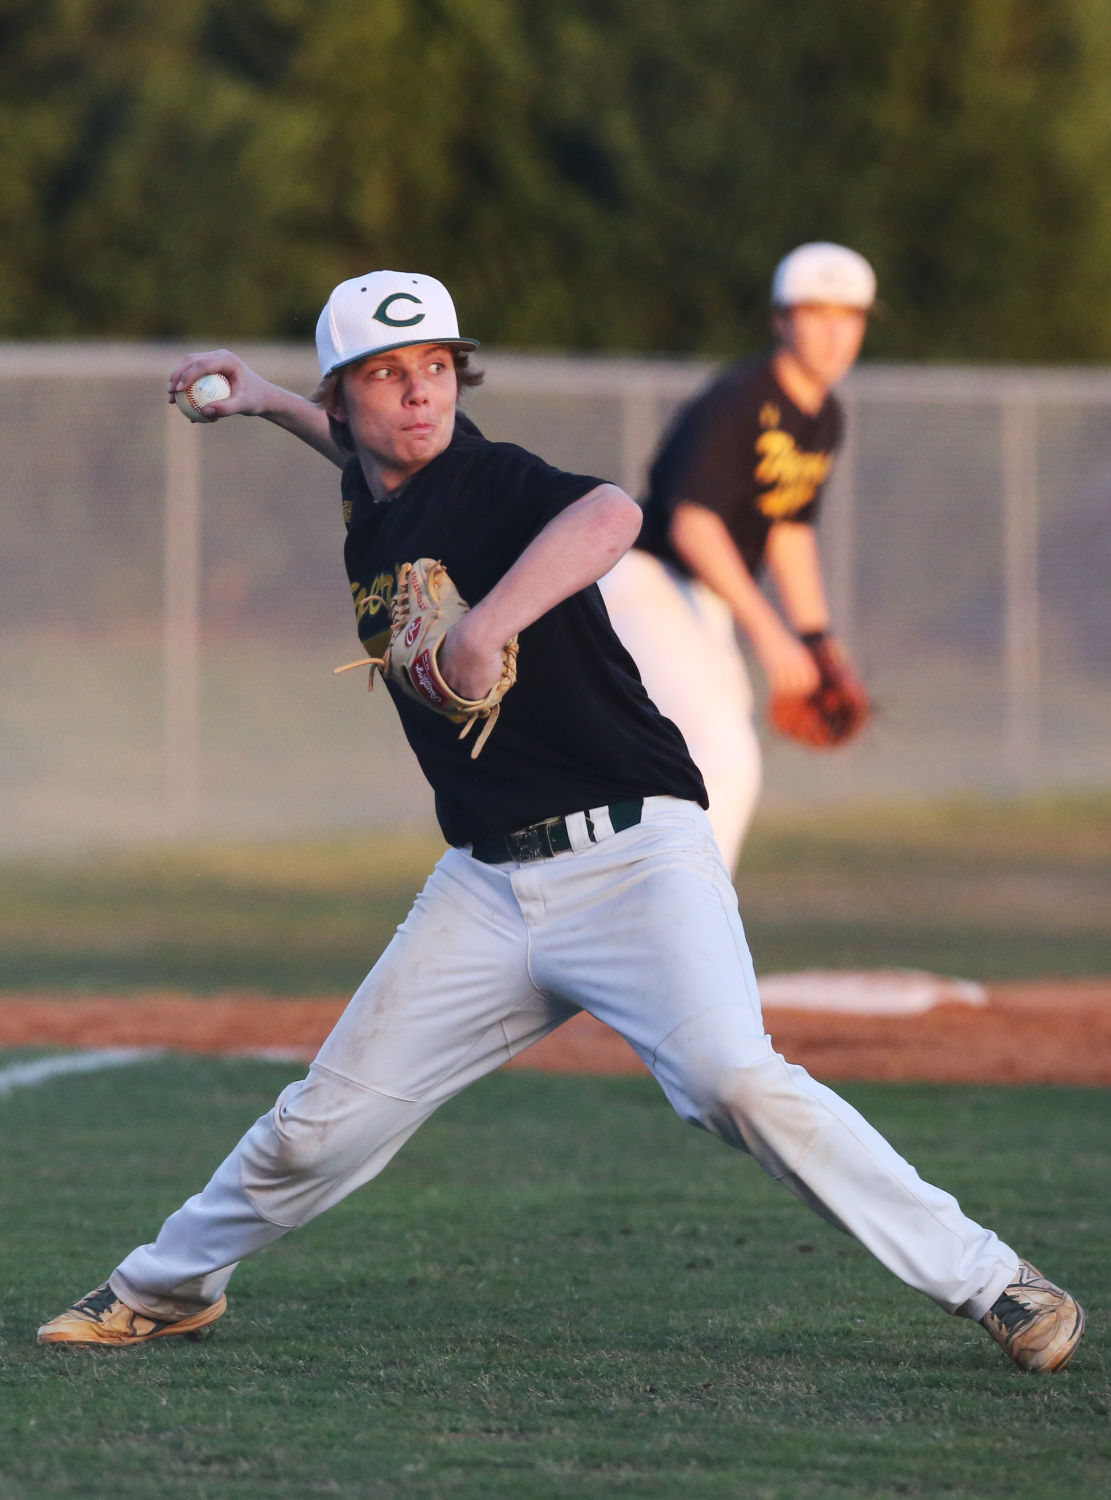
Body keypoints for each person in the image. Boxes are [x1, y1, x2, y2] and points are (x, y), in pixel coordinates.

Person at [38, 269, 1083, 1375]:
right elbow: (358, 461)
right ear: (344, 400)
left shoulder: (489, 479)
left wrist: (489, 622)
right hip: (488, 888)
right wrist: (264, 400)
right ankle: (167, 1289)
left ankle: (994, 1281)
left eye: (436, 368)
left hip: (635, 854)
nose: (420, 394)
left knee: (734, 1077)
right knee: (318, 1125)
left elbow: (613, 513)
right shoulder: (373, 490)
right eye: (388, 375)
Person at [599, 242, 874, 870]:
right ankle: (687, 925)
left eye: (851, 315)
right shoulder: (742, 398)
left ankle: (676, 915)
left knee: (714, 757)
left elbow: (788, 530)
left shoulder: (823, 416)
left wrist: (816, 639)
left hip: (700, 597)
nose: (835, 332)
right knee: (721, 759)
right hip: (647, 582)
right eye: (817, 312)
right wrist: (772, 637)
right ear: (781, 320)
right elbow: (694, 524)